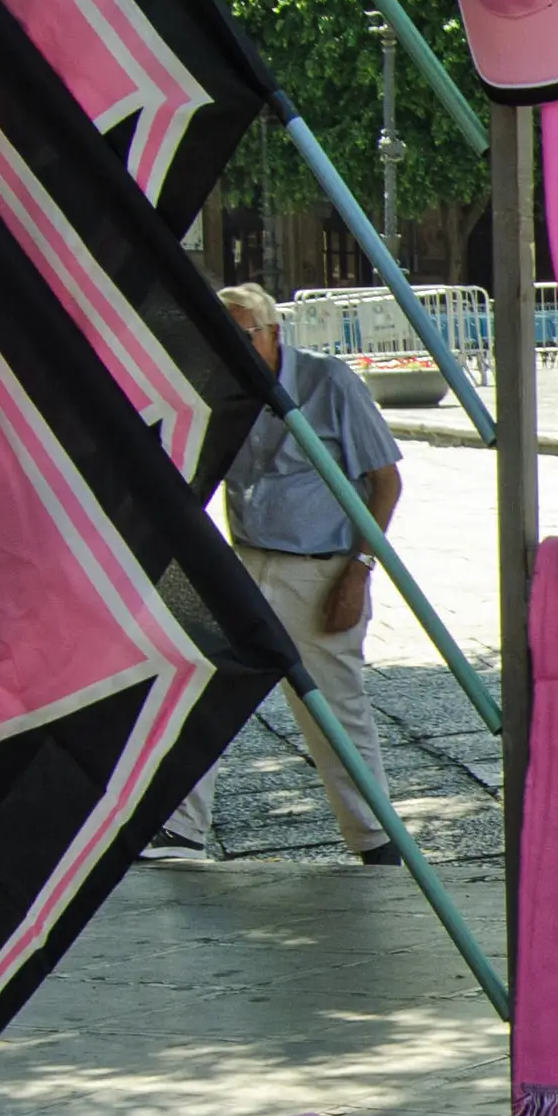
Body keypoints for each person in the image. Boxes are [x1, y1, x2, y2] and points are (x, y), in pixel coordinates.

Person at [155, 284, 407, 865]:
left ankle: (375, 838)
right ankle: (183, 828)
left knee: (333, 706)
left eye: (244, 335)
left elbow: (385, 481)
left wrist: (359, 571)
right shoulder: (219, 391)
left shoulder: (328, 382)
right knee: (202, 683)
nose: (232, 347)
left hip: (319, 568)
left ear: (274, 333)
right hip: (245, 559)